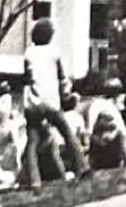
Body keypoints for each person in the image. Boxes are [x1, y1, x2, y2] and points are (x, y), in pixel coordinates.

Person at [21, 21, 85, 186]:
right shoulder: (54, 52)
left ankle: (35, 180)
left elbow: (26, 78)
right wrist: (65, 91)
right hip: (50, 100)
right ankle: (81, 167)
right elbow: (61, 76)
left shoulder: (28, 53)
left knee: (32, 141)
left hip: (33, 101)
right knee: (67, 132)